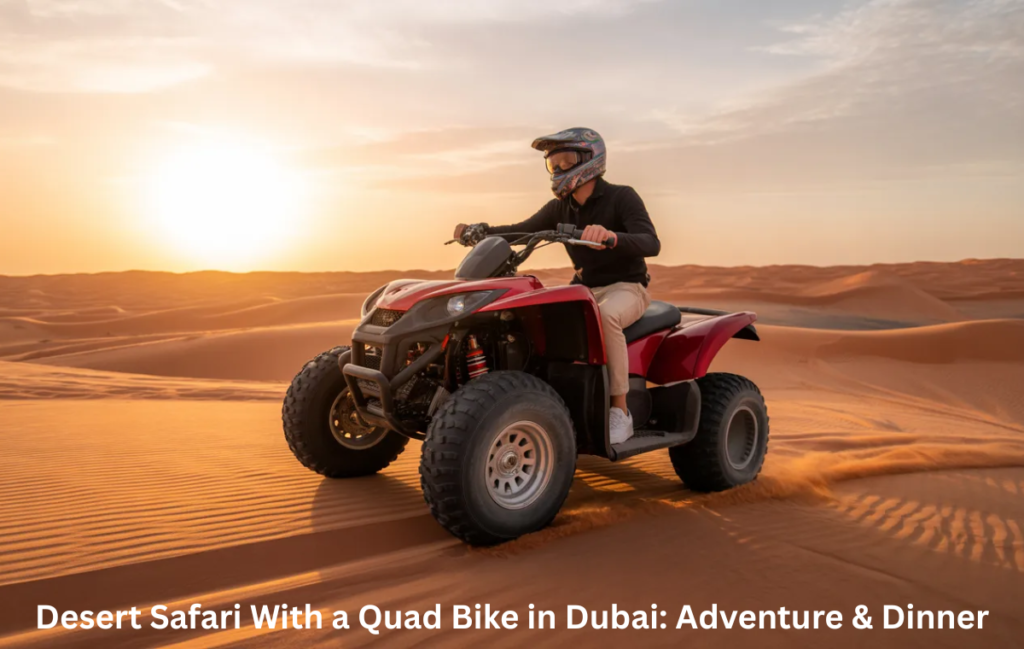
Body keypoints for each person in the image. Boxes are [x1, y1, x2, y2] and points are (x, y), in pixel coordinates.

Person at [453, 127, 660, 444]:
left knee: (605, 318)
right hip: (584, 288)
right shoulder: (559, 209)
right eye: (553, 164)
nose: (560, 169)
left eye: (566, 160)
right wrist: (480, 231)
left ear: (590, 160)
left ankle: (620, 412)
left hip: (626, 287)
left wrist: (611, 236)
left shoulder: (622, 197)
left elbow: (651, 242)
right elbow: (520, 231)